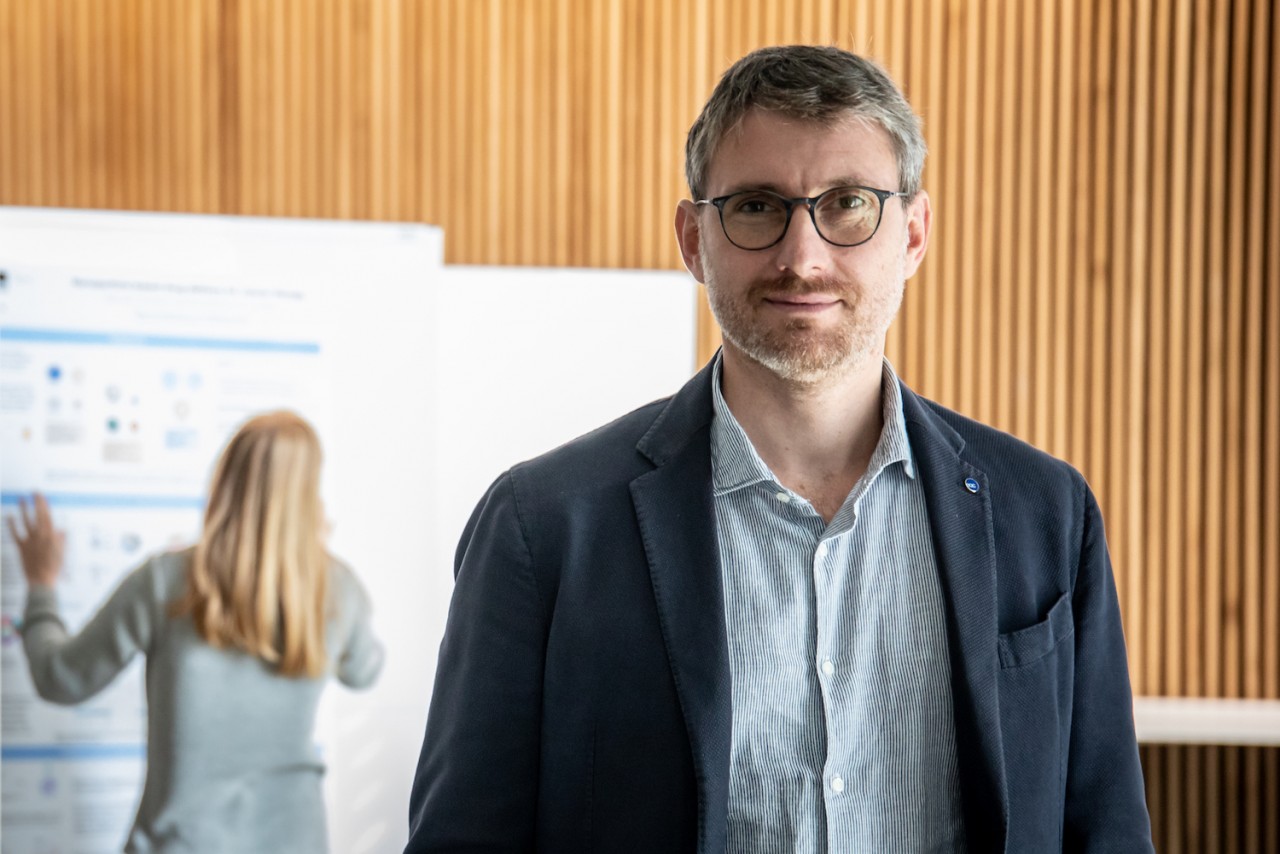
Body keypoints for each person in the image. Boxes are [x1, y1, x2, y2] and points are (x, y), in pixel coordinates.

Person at [405, 45, 1153, 853]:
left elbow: (1106, 831)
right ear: (693, 239)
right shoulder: (542, 528)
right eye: (758, 207)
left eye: (849, 204)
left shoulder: (1046, 514)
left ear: (913, 234)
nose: (803, 258)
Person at [10, 410, 384, 854]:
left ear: (226, 480)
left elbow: (60, 677)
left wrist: (41, 587)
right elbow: (365, 670)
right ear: (308, 494)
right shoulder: (337, 588)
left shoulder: (165, 581)